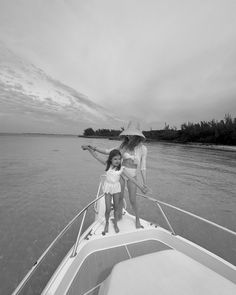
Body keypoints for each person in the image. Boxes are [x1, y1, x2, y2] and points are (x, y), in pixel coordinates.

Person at [84, 121, 148, 229]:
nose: (129, 136)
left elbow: (143, 167)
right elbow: (108, 152)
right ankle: (118, 217)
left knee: (133, 200)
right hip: (121, 174)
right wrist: (93, 148)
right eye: (128, 134)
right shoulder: (123, 146)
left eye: (131, 134)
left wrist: (145, 183)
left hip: (132, 176)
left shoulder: (143, 149)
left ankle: (137, 219)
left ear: (137, 135)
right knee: (120, 197)